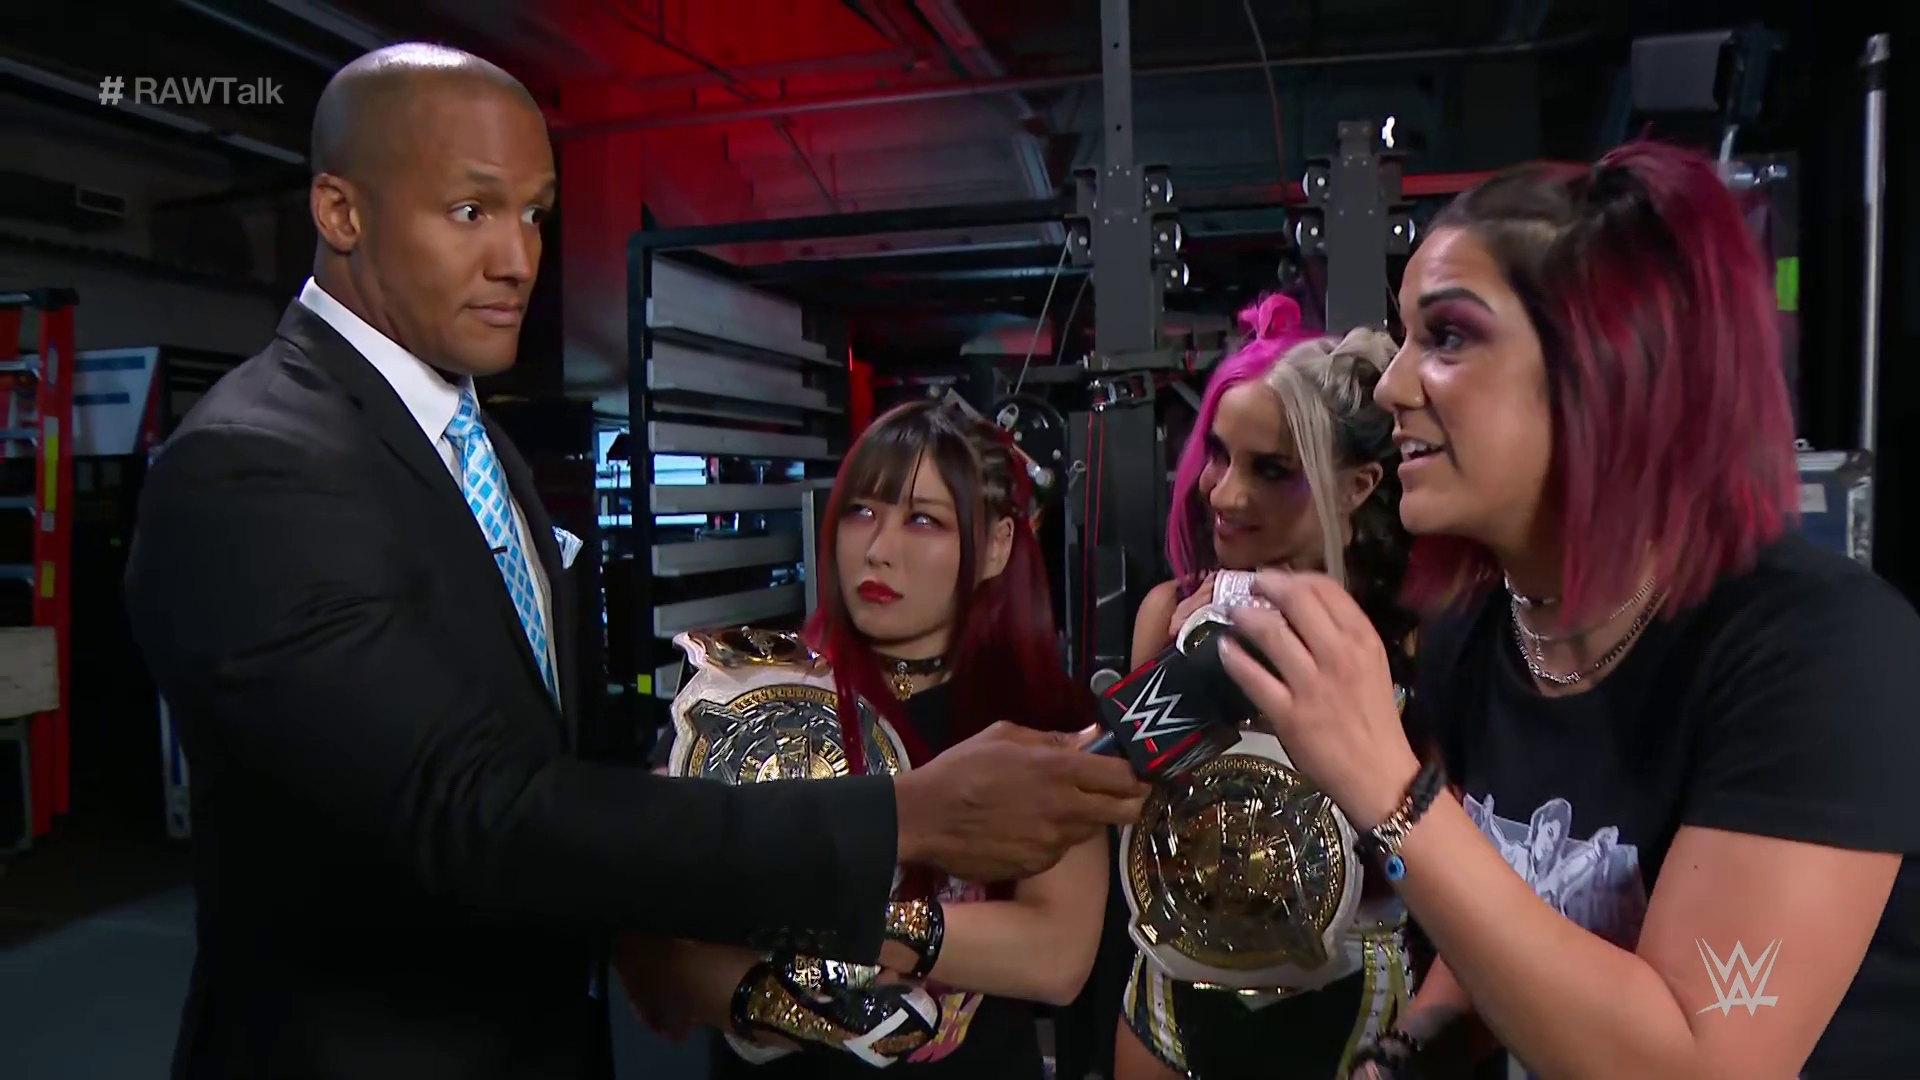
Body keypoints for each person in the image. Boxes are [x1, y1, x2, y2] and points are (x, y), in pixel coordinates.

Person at [121, 43, 1146, 1080]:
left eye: (534, 214)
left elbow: (550, 771)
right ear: (341, 212)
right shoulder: (255, 463)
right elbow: (469, 812)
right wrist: (903, 824)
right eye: (471, 211)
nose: (518, 259)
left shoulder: (476, 450)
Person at [1216, 140, 1920, 1080]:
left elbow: (1702, 1065)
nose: (1391, 387)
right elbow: (1503, 929)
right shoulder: (1479, 631)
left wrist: (1388, 789)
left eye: (1449, 337)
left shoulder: (1822, 653)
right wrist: (1403, 1055)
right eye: (1404, 336)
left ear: (1609, 365)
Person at [621, 399, 1109, 1078]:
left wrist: (835, 923)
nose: (879, 549)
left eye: (923, 520)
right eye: (861, 512)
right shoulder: (741, 697)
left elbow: (1056, 955)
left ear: (997, 544)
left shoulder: (1042, 718)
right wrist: (780, 1007)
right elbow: (654, 938)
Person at [1111, 306, 1429, 1080]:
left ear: (1357, 486)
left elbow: (1439, 870)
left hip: (1348, 1011)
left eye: (1271, 470)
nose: (1224, 494)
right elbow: (1123, 810)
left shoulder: (1411, 642)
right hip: (1169, 998)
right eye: (1219, 455)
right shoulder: (1167, 613)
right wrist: (1185, 673)